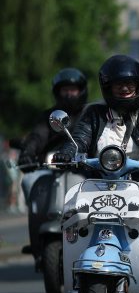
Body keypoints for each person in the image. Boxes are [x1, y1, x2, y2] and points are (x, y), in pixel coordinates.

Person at [52, 55, 139, 293]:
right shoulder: (94, 113)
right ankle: (75, 271)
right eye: (118, 84)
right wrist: (66, 153)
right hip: (100, 184)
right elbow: (79, 139)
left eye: (130, 83)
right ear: (108, 87)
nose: (125, 88)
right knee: (71, 208)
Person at [17, 68, 89, 200]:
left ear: (81, 91)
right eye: (65, 90)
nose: (69, 94)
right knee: (29, 180)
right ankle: (37, 213)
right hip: (51, 168)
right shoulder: (49, 116)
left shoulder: (89, 115)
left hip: (84, 170)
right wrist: (28, 152)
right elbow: (37, 136)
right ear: (57, 92)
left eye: (73, 90)